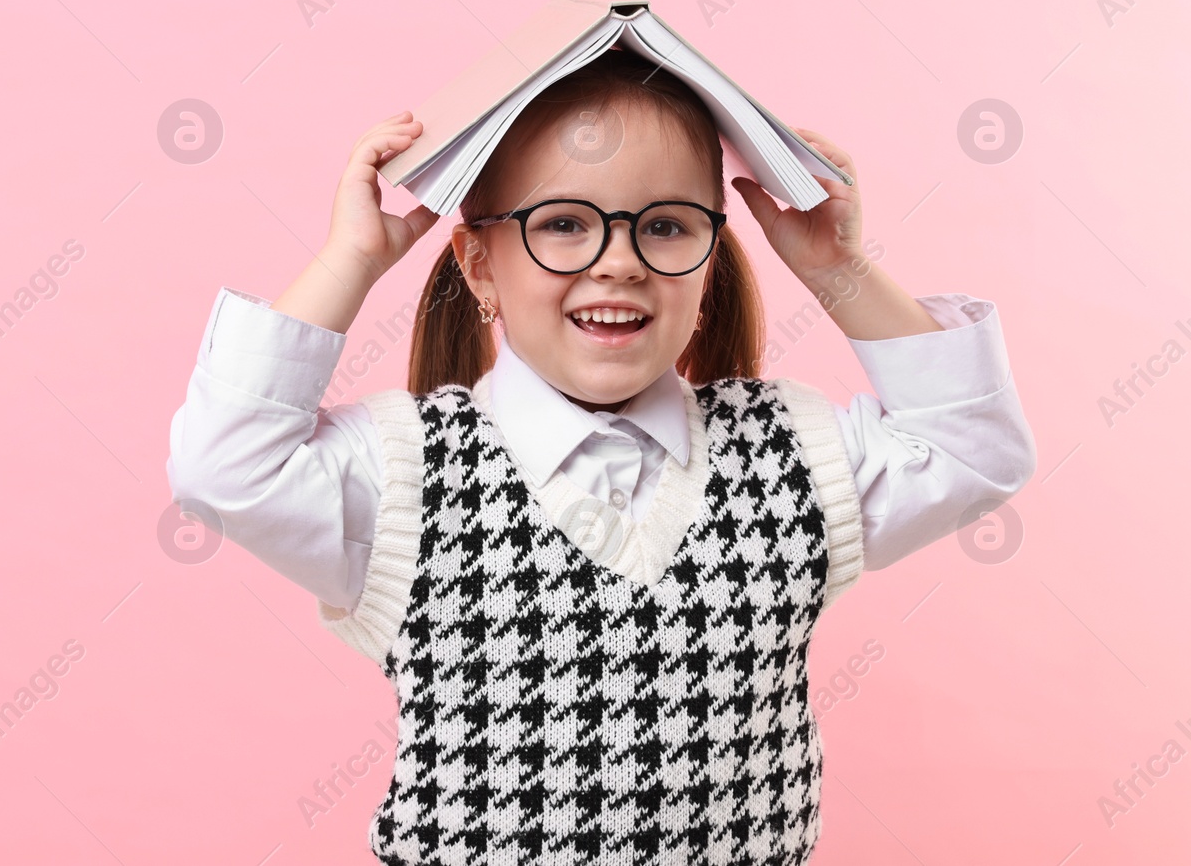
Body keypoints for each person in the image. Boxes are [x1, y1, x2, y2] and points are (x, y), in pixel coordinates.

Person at [165, 50, 1038, 863]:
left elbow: (975, 450)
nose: (617, 262)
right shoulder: (401, 476)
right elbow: (223, 468)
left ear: (711, 261)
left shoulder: (795, 455)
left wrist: (837, 267)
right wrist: (351, 258)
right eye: (564, 224)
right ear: (478, 264)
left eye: (663, 225)